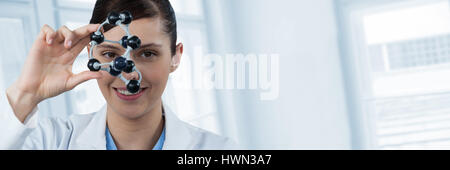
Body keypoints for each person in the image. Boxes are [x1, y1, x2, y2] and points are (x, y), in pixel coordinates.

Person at [0, 0, 237, 150]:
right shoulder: (50, 142)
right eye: (110, 54)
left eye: (148, 53)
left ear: (175, 57)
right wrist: (26, 93)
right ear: (91, 55)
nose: (129, 73)